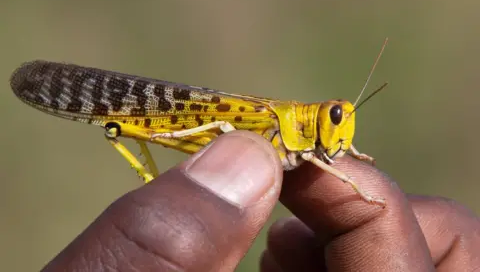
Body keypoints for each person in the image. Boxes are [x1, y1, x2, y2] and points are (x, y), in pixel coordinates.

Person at [41, 131, 480, 271]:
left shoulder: (314, 142)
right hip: (197, 122)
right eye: (335, 119)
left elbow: (320, 157)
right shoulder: (289, 128)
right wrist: (362, 191)